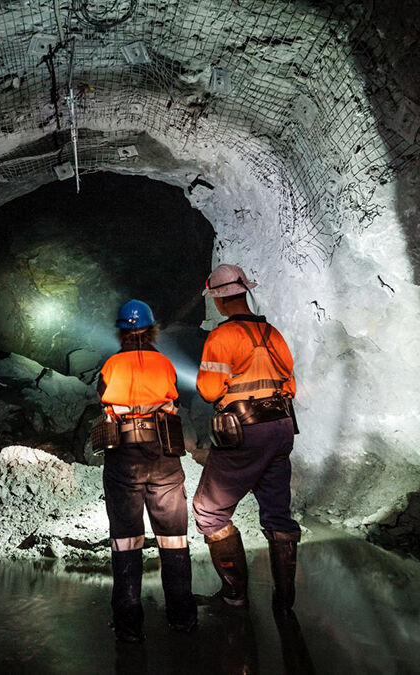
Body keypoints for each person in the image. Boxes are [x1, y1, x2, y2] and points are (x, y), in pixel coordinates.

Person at [193, 264, 301, 611]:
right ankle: (284, 604)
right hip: (282, 427)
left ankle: (235, 595)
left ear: (220, 301)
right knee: (278, 515)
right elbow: (291, 386)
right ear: (245, 292)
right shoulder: (273, 334)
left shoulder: (221, 337)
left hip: (245, 430)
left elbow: (210, 391)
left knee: (209, 510)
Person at [96, 299, 197, 642]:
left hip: (123, 455)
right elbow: (173, 401)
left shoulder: (110, 365)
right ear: (151, 328)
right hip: (163, 454)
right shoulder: (165, 363)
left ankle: (128, 626)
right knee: (174, 538)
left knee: (125, 539)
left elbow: (103, 399)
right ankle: (182, 619)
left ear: (122, 332)